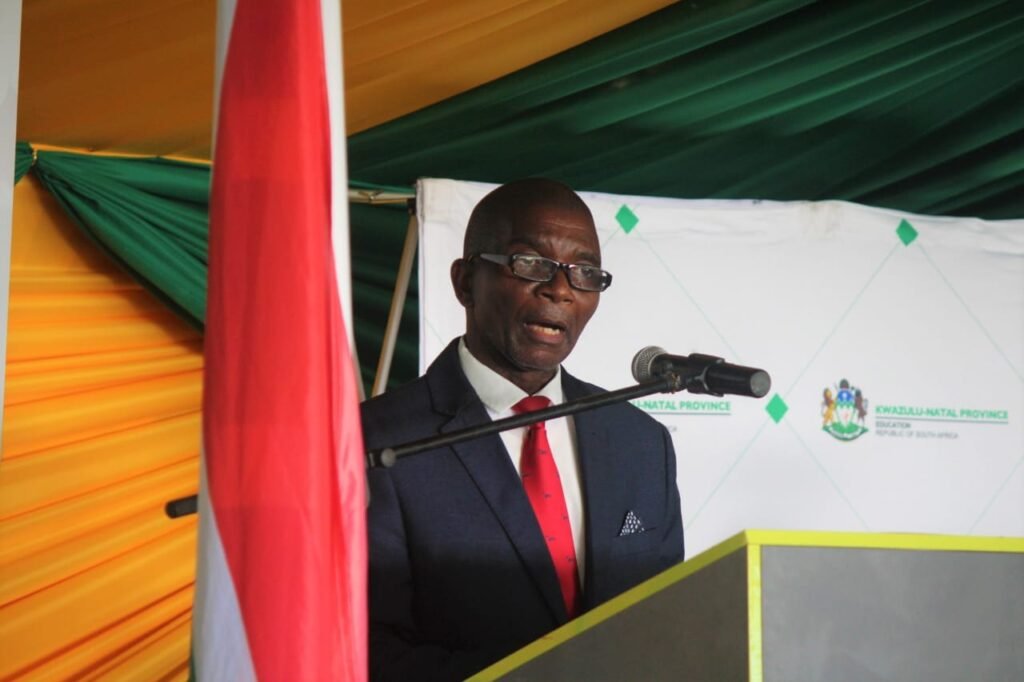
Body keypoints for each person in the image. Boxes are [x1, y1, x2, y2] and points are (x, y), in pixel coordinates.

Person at [362, 179, 684, 681]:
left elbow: (668, 623)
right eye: (530, 263)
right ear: (465, 282)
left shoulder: (639, 442)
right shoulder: (378, 442)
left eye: (584, 273)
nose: (560, 289)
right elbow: (367, 651)